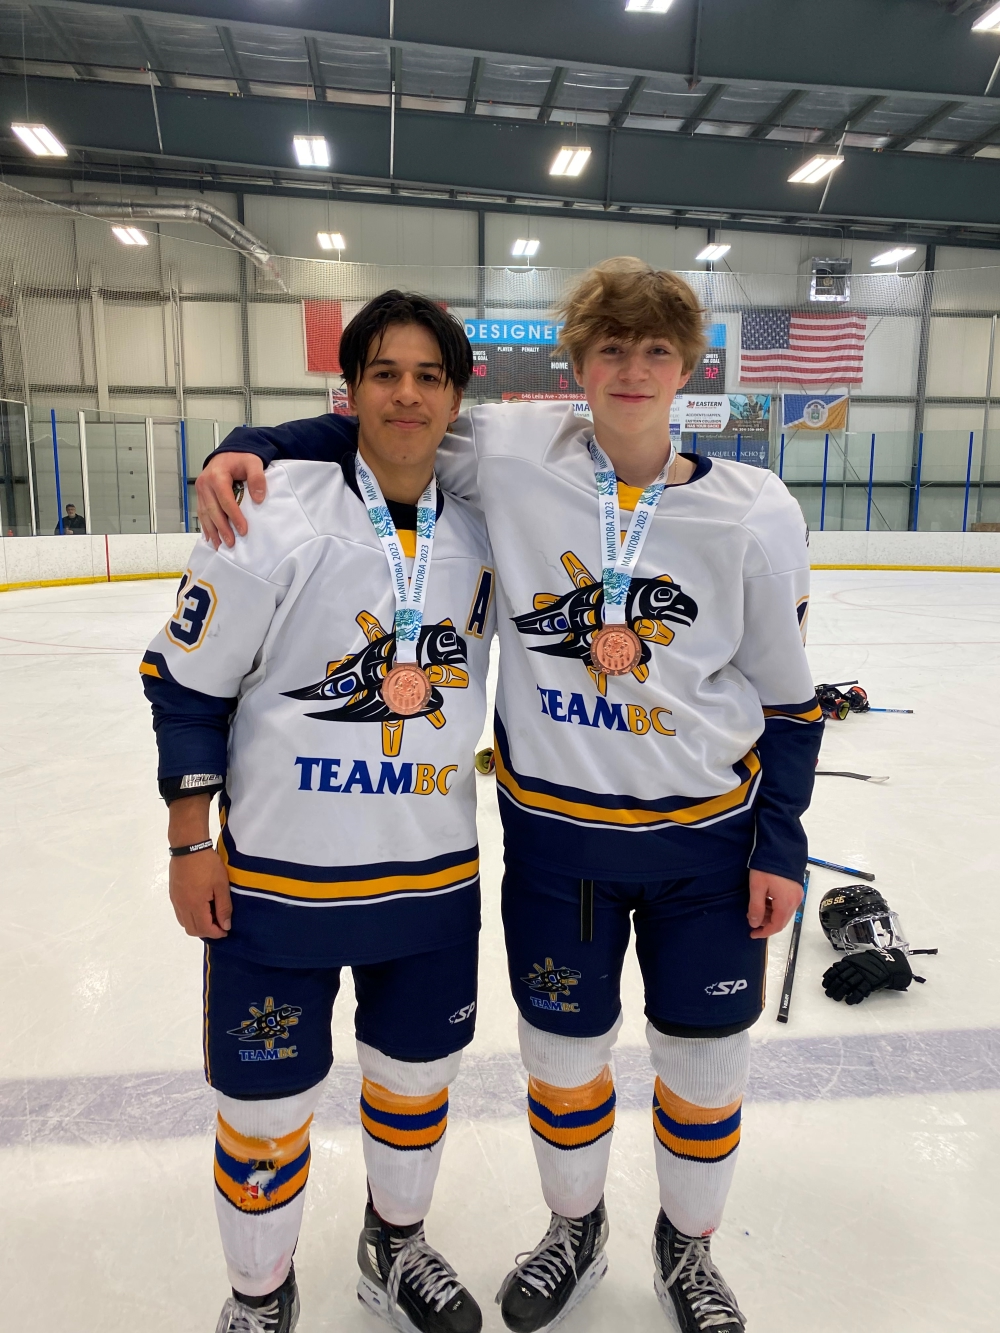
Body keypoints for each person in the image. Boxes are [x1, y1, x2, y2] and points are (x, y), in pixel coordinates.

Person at [196, 259, 823, 1333]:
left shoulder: (753, 510)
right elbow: (387, 424)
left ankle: (691, 1250)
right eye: (610, 349)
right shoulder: (519, 452)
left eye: (656, 351)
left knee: (705, 1067)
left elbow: (788, 697)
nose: (633, 369)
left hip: (707, 856)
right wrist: (244, 448)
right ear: (575, 367)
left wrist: (781, 846)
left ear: (688, 368)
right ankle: (574, 1230)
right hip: (559, 852)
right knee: (562, 1063)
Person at [143, 292, 496, 1333]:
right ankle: (261, 1294)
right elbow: (185, 683)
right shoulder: (269, 508)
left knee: (417, 1080)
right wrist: (187, 838)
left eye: (430, 376)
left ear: (456, 396)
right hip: (281, 884)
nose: (407, 393)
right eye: (384, 372)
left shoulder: (484, 512)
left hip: (430, 878)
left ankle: (393, 1247)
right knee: (260, 1115)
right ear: (349, 390)